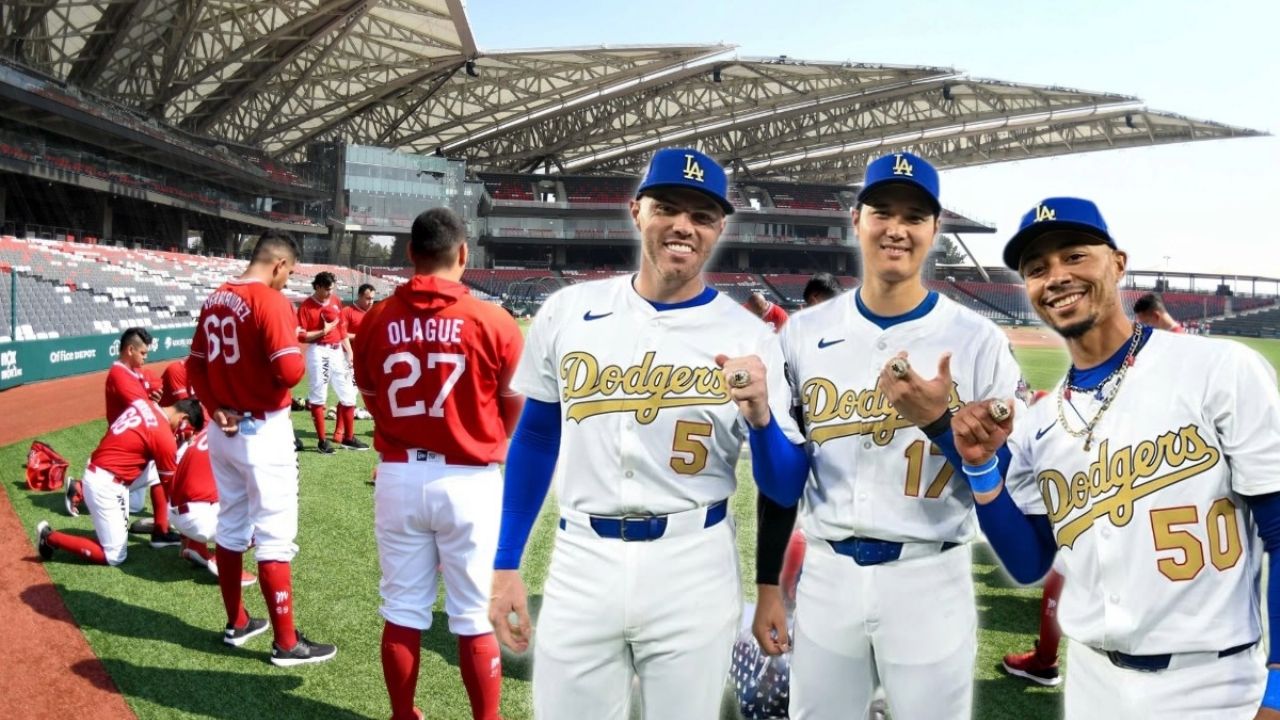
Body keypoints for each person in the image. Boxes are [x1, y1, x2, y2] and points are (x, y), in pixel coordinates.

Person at [488, 147, 802, 720]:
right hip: (582, 556)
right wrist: (506, 563)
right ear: (637, 211)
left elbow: (784, 486)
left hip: (693, 562)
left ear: (719, 230)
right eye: (668, 208)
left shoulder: (750, 336)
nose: (683, 226)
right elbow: (535, 439)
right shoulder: (569, 310)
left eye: (702, 216)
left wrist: (759, 416)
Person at [948, 197, 1280, 719]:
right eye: (1037, 269)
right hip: (1092, 684)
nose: (1056, 276)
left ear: (1117, 263)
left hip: (1214, 684)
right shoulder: (1039, 422)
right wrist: (980, 467)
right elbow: (1029, 562)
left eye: (1074, 256)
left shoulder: (1219, 368)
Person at [742, 151, 1025, 720]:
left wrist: (941, 425)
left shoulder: (976, 339)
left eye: (915, 216)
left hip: (930, 572)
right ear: (856, 219)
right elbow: (783, 480)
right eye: (882, 212)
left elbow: (1007, 485)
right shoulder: (803, 334)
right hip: (827, 574)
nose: (897, 228)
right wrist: (759, 422)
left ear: (935, 230)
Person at [354, 207, 523, 720]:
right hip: (470, 477)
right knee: (473, 616)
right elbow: (514, 408)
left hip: (400, 472)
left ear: (410, 254)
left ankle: (403, 715)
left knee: (403, 611)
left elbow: (372, 398)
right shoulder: (494, 320)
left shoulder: (375, 319)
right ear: (463, 254)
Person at [187, 230, 337, 666]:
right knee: (274, 535)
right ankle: (287, 643)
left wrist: (214, 407)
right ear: (277, 264)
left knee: (232, 524)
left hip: (223, 427)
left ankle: (237, 621)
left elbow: (194, 366)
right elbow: (290, 371)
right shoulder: (270, 301)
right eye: (288, 272)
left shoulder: (216, 296)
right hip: (262, 428)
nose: (287, 281)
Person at [35, 397, 204, 566]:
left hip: (101, 466)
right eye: (188, 430)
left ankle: (161, 531)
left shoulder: (146, 403)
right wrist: (186, 536)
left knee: (157, 469)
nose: (185, 434)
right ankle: (50, 538)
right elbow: (171, 493)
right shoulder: (163, 436)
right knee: (115, 555)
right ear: (183, 419)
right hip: (106, 484)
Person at [169, 427, 257, 587]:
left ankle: (194, 546)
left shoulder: (212, 427)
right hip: (198, 518)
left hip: (175, 514)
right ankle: (223, 562)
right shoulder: (245, 428)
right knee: (270, 513)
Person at [298, 271, 363, 452]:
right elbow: (301, 335)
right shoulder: (306, 307)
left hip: (337, 352)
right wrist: (323, 331)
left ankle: (348, 438)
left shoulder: (335, 301)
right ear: (317, 286)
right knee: (319, 396)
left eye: (332, 289)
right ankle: (321, 441)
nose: (330, 293)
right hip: (318, 351)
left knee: (349, 394)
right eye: (327, 289)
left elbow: (341, 328)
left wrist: (349, 352)